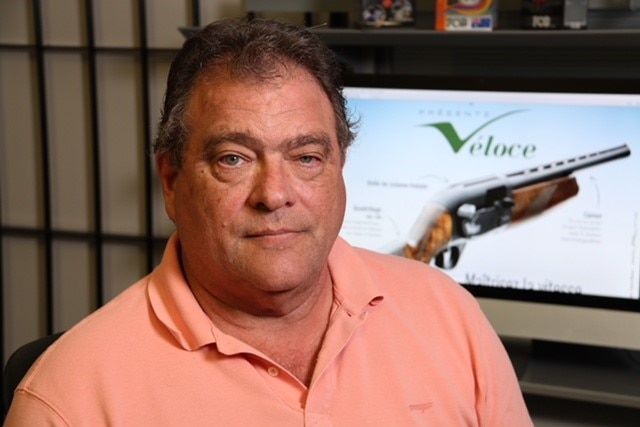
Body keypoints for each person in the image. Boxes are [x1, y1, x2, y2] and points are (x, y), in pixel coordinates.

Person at [4, 18, 533, 426]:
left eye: (306, 157)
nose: (275, 195)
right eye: (233, 158)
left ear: (340, 169)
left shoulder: (449, 316)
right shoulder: (67, 398)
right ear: (172, 181)